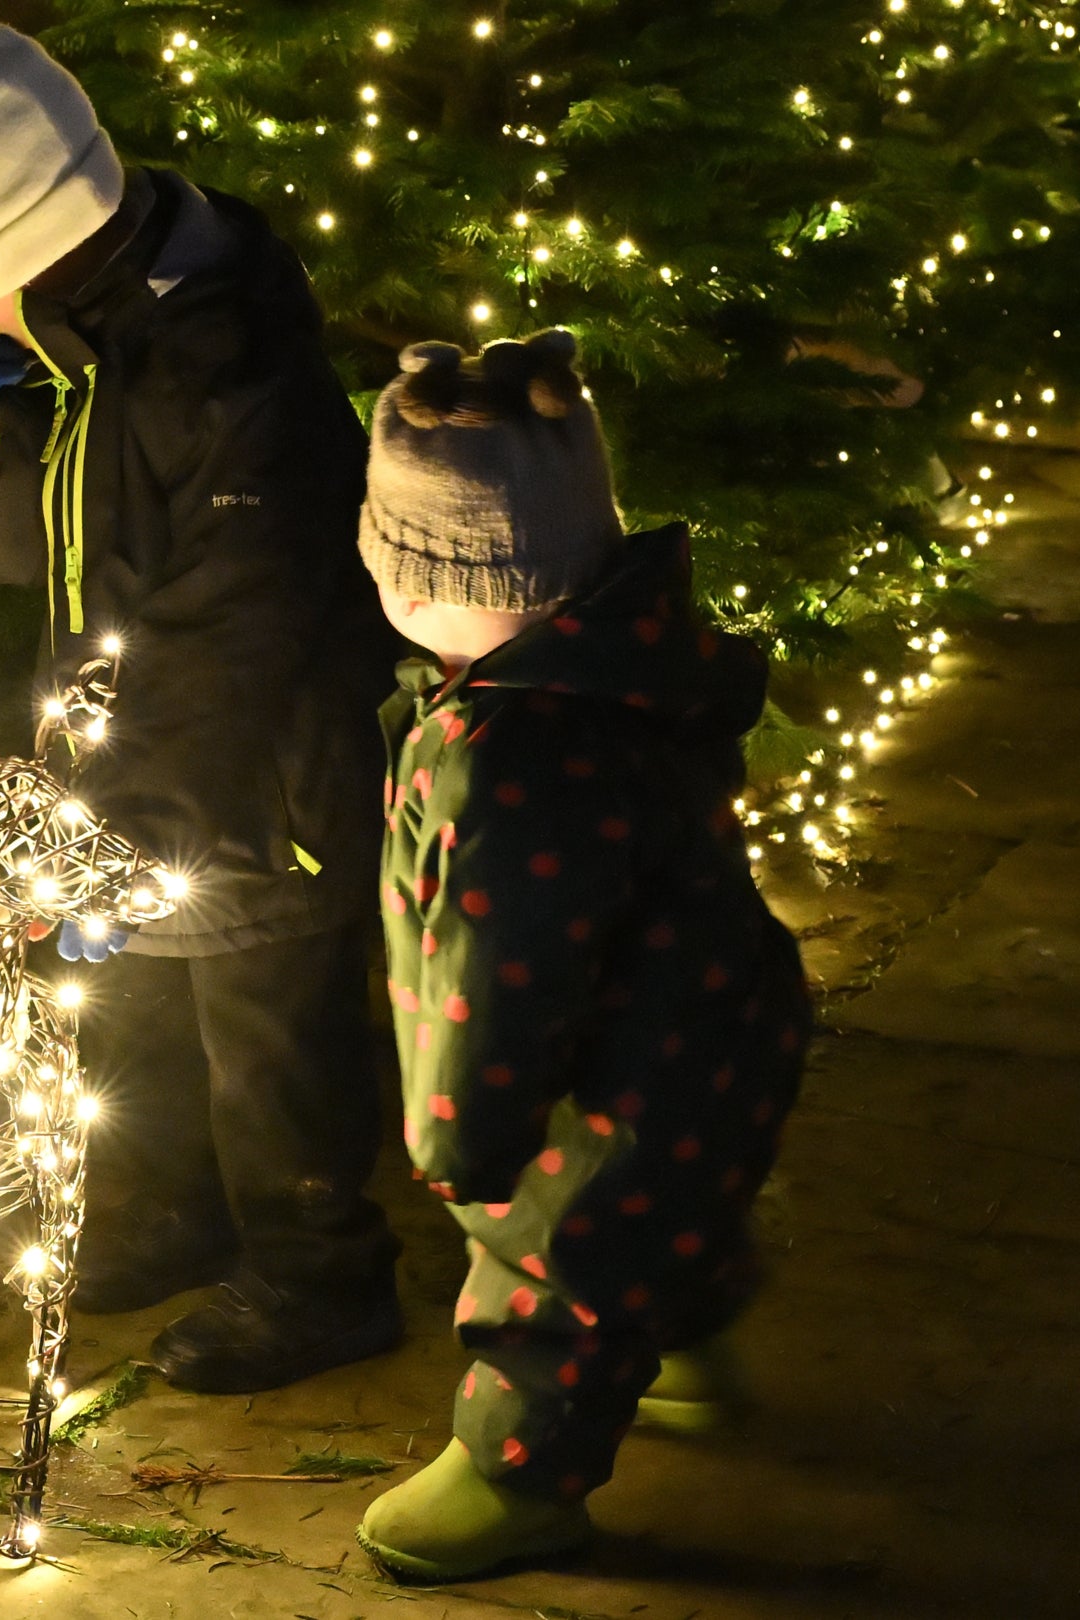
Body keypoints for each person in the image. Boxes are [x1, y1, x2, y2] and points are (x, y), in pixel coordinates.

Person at [0, 23, 402, 1393]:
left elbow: (233, 622)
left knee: (269, 1041)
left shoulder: (225, 372)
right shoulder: (105, 350)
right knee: (142, 1018)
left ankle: (320, 1268)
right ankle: (170, 1212)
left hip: (260, 796)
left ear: (16, 252)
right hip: (138, 779)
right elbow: (59, 544)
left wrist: (136, 811)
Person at [346, 333, 808, 1581]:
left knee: (561, 1260)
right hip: (722, 1019)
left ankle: (518, 1480)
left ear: (430, 577)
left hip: (610, 1074)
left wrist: (462, 1135)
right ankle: (695, 1343)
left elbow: (502, 965)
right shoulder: (629, 662)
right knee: (676, 1207)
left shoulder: (511, 753)